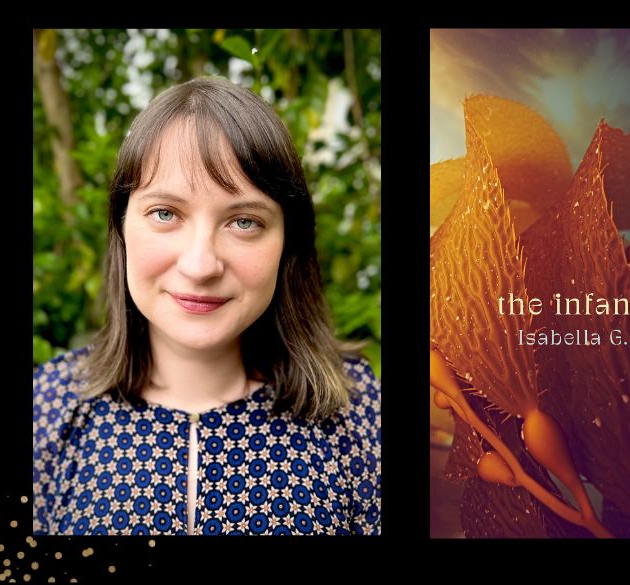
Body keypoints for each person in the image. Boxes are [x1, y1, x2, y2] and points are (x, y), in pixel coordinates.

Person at [32, 77, 381, 536]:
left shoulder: (360, 415)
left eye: (243, 222)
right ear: (121, 227)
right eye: (165, 214)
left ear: (287, 243)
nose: (200, 265)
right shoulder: (46, 408)